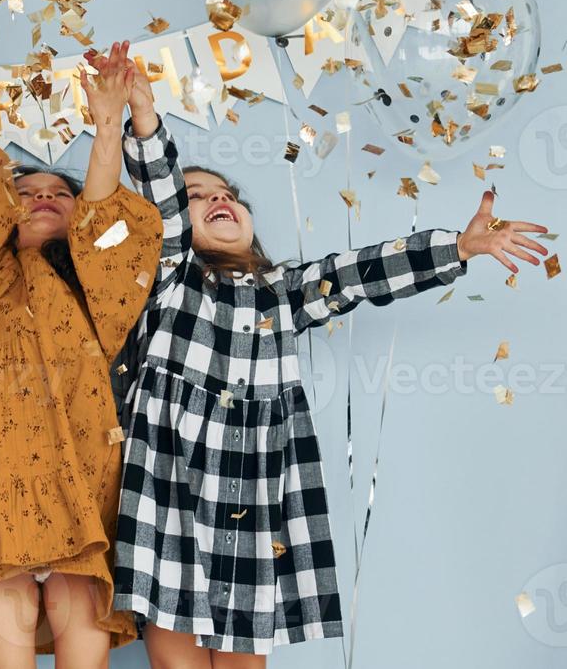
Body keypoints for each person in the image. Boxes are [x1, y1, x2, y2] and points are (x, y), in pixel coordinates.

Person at [114, 67, 550, 665]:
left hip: (259, 476)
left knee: (246, 654)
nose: (219, 199)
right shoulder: (169, 278)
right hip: (174, 473)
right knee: (176, 652)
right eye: (198, 196)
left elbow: (360, 273)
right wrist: (143, 114)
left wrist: (458, 247)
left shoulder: (283, 290)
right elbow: (157, 201)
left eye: (229, 195)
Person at [0, 35, 163, 667]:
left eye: (59, 192)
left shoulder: (95, 286)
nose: (45, 196)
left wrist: (109, 127)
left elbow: (105, 209)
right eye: (27, 192)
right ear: (0, 214)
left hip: (81, 485)